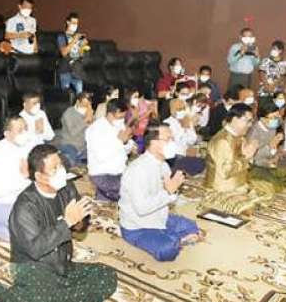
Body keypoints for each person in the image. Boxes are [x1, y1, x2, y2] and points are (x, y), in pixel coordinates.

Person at [0, 144, 118, 302]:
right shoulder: (24, 207)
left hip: (62, 263)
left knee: (107, 276)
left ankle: (61, 297)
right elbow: (35, 249)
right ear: (39, 176)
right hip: (33, 267)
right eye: (55, 168)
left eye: (61, 165)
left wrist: (79, 221)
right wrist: (66, 222)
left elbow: (80, 227)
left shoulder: (67, 188)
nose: (62, 171)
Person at [119, 125, 202, 262]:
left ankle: (172, 237)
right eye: (168, 139)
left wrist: (172, 191)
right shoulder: (137, 170)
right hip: (138, 226)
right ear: (153, 142)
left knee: (191, 225)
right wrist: (168, 192)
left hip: (160, 217)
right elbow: (142, 209)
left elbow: (169, 197)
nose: (172, 143)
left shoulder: (163, 165)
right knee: (167, 250)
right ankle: (173, 239)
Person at [202, 104, 275, 215]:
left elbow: (243, 159)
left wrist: (248, 153)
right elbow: (225, 172)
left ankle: (244, 197)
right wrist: (246, 157)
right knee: (246, 207)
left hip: (239, 184)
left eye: (251, 121)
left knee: (268, 190)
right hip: (222, 190)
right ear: (235, 119)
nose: (250, 125)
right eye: (248, 121)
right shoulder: (222, 141)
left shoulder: (238, 137)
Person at [0, 116, 31, 241]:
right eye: (20, 130)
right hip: (4, 204)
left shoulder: (26, 147)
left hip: (24, 200)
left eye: (26, 128)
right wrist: (26, 179)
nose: (25, 133)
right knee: (27, 237)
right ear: (7, 134)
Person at [86, 98, 137, 202]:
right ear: (112, 113)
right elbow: (101, 156)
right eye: (121, 117)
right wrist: (120, 142)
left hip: (118, 172)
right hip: (103, 175)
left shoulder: (118, 125)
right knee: (132, 192)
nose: (122, 120)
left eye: (124, 117)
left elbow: (125, 150)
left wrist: (126, 142)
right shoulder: (96, 129)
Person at [246, 102, 286, 191]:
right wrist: (269, 147)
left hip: (268, 164)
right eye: (273, 118)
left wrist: (276, 156)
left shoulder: (272, 127)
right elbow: (252, 157)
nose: (276, 120)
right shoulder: (254, 132)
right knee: (275, 186)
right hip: (255, 166)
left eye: (277, 117)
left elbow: (275, 150)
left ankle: (268, 180)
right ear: (262, 118)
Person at [164, 98, 204, 175]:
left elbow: (193, 139)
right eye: (179, 109)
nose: (182, 111)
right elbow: (175, 140)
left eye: (183, 109)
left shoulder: (187, 120)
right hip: (173, 155)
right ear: (172, 110)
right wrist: (183, 129)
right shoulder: (167, 122)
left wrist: (187, 128)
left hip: (184, 152)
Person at [54, 92, 94, 167]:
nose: (86, 107)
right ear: (78, 102)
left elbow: (92, 131)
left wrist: (91, 120)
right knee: (70, 162)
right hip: (69, 144)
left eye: (88, 105)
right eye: (84, 104)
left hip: (84, 146)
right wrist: (85, 120)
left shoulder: (88, 112)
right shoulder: (69, 113)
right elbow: (73, 132)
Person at [56, 12, 89, 94]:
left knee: (80, 94)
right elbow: (64, 52)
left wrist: (83, 46)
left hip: (77, 71)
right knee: (66, 95)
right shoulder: (61, 36)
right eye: (73, 22)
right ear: (68, 22)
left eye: (76, 23)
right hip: (65, 70)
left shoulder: (79, 37)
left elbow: (81, 55)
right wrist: (74, 40)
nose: (75, 25)